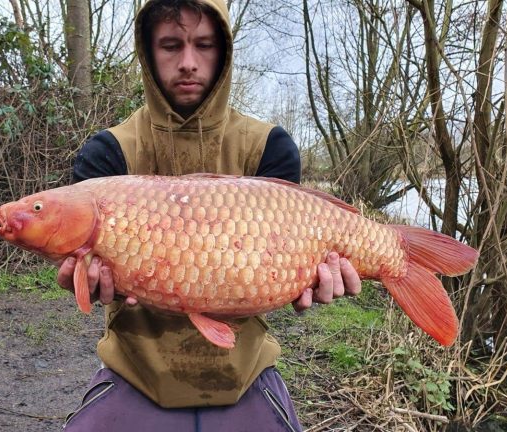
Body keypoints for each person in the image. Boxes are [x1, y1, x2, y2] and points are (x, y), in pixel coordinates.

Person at [58, 0, 362, 430]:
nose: (187, 63)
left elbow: (292, 271)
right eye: (170, 45)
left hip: (246, 370)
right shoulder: (108, 152)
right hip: (134, 368)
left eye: (203, 45)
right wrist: (80, 279)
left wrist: (310, 278)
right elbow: (78, 269)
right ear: (147, 52)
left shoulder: (269, 146)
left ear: (224, 52)